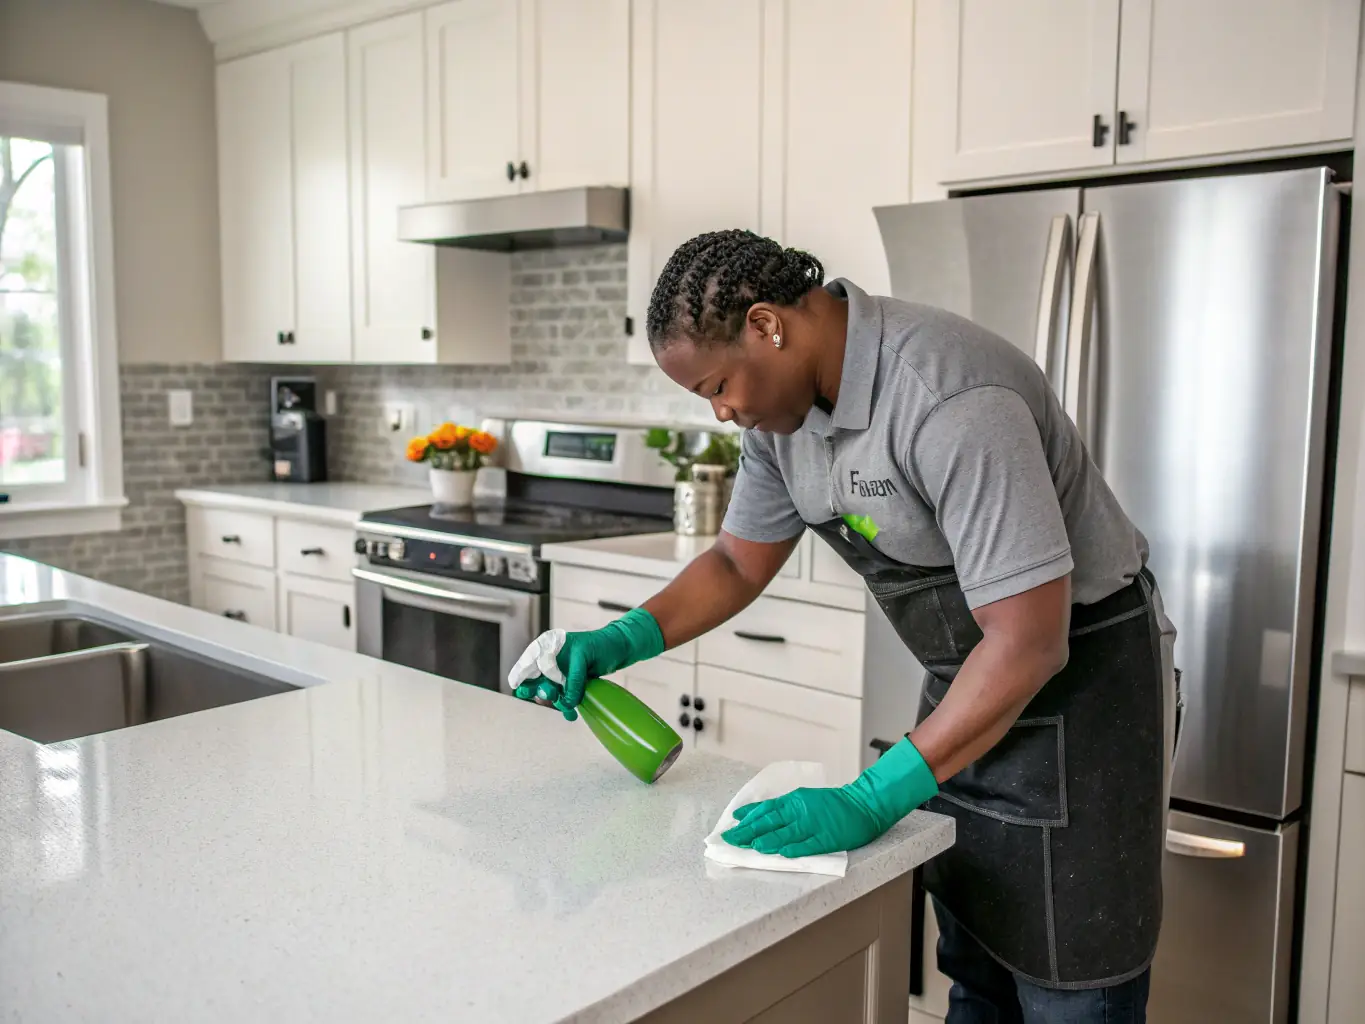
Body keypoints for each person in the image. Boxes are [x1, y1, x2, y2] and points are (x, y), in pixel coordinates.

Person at [509, 229, 1178, 1023]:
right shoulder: (781, 424)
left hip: (1082, 693)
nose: (723, 413)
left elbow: (1028, 640)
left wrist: (872, 795)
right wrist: (619, 640)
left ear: (766, 325)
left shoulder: (946, 397)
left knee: (1074, 990)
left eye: (718, 387)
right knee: (977, 964)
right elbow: (734, 563)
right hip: (971, 682)